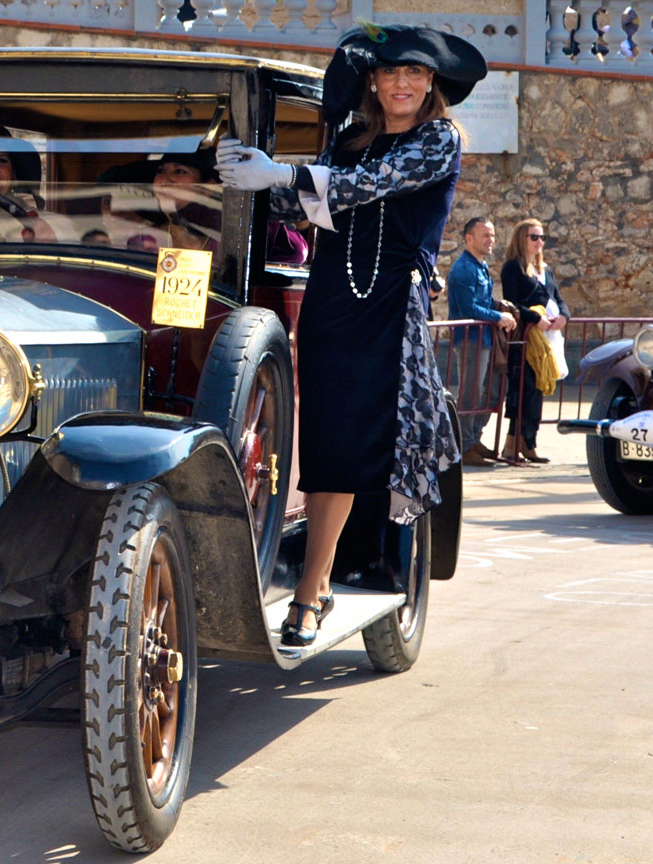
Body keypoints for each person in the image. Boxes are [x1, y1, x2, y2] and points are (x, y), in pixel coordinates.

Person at [216, 24, 484, 646]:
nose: (403, 83)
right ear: (373, 79)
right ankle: (319, 582)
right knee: (331, 440)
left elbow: (373, 185)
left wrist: (280, 174)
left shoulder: (438, 139)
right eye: (391, 72)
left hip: (392, 307)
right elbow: (299, 208)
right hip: (333, 300)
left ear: (432, 83)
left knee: (379, 442)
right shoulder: (348, 139)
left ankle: (318, 589)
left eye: (415, 73)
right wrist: (230, 168)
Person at [444, 216, 515, 466]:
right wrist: (499, 316)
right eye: (485, 235)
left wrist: (498, 310)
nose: (491, 240)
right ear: (469, 238)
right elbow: (467, 307)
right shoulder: (464, 269)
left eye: (493, 235)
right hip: (470, 339)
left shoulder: (480, 266)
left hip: (483, 338)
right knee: (472, 393)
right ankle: (464, 445)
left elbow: (481, 302)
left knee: (487, 392)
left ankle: (473, 439)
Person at [500, 218, 567, 466]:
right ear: (522, 239)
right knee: (522, 390)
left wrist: (563, 317)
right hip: (525, 338)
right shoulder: (512, 268)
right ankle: (516, 444)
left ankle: (528, 443)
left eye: (542, 237)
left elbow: (559, 299)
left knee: (537, 390)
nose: (539, 242)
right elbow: (512, 302)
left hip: (545, 339)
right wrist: (535, 317)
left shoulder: (545, 270)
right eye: (534, 237)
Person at [106, 150, 221, 253]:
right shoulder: (144, 241)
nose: (164, 180)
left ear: (208, 187)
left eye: (180, 172)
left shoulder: (224, 241)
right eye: (161, 171)